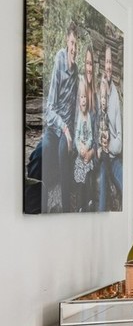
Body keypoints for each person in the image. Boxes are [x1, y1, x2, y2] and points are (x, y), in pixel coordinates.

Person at [33, 20, 80, 212]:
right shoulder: (59, 60)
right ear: (66, 43)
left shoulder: (76, 72)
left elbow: (78, 107)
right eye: (71, 43)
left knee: (63, 153)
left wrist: (72, 135)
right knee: (43, 150)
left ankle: (66, 207)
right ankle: (40, 208)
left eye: (76, 44)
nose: (74, 48)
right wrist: (64, 127)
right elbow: (49, 108)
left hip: (67, 130)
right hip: (56, 127)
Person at [96, 42, 123, 211]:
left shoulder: (116, 97)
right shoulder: (99, 92)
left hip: (114, 157)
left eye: (110, 62)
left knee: (126, 184)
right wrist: (100, 148)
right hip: (101, 159)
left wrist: (109, 146)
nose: (108, 66)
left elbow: (119, 142)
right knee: (102, 193)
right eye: (106, 62)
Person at [71, 52, 97, 211]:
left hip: (88, 152)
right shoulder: (79, 117)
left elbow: (92, 137)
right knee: (79, 176)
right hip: (80, 152)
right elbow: (77, 136)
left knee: (89, 175)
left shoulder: (88, 115)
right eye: (81, 98)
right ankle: (81, 204)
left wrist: (88, 149)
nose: (83, 101)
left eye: (85, 98)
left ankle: (89, 201)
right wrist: (80, 147)